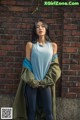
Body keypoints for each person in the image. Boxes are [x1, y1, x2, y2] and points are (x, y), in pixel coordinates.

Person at [13, 19, 61, 120]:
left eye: (42, 26)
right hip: (32, 83)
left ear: (46, 29)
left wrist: (46, 80)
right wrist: (32, 80)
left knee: (49, 112)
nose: (40, 28)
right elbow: (27, 64)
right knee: (32, 112)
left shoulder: (53, 46)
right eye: (37, 27)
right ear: (35, 30)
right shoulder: (30, 45)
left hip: (46, 83)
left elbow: (54, 66)